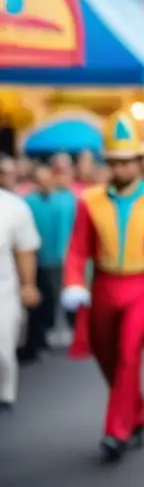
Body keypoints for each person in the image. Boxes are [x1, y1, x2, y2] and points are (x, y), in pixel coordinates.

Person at [60, 113, 144, 462]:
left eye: (127, 162)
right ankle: (136, 413)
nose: (120, 169)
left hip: (143, 284)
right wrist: (74, 283)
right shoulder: (89, 201)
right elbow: (77, 249)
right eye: (115, 162)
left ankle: (115, 432)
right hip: (103, 284)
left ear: (139, 162)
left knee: (129, 352)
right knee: (105, 354)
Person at [22, 163, 77, 359]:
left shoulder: (65, 198)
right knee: (45, 299)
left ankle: (70, 330)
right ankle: (42, 335)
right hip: (39, 259)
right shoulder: (28, 201)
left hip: (62, 256)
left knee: (65, 295)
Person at [0, 170, 41, 410]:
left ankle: (4, 392)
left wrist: (28, 285)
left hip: (3, 288)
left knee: (3, 347)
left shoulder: (12, 207)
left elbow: (25, 249)